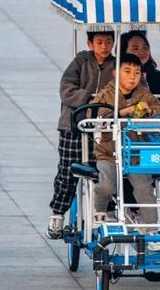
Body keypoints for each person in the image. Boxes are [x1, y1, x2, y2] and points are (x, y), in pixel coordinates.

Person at [89, 53, 160, 252]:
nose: (132, 77)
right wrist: (119, 113)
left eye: (137, 72)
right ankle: (100, 213)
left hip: (136, 154)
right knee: (107, 184)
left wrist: (149, 112)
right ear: (116, 73)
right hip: (108, 152)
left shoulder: (144, 94)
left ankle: (151, 231)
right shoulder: (106, 94)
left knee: (144, 187)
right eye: (127, 72)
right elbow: (94, 114)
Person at [46, 32, 115, 239]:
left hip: (103, 126)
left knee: (105, 169)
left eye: (108, 42)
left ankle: (106, 210)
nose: (104, 46)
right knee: (67, 171)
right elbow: (66, 89)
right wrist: (89, 98)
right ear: (90, 43)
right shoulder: (80, 61)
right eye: (99, 42)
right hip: (74, 125)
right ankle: (58, 214)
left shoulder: (116, 65)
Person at [120, 31, 160, 110]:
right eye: (135, 48)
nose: (141, 52)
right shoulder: (117, 77)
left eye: (145, 47)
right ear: (124, 52)